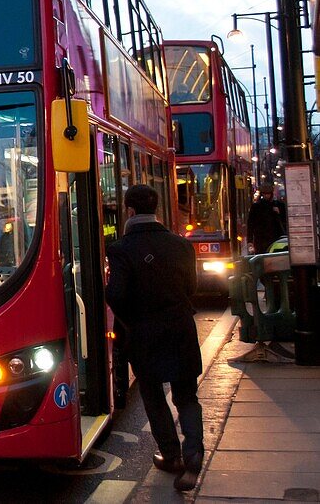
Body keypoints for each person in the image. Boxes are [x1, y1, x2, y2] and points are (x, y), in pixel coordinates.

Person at [105, 184, 203, 491]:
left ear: (129, 211)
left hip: (145, 333)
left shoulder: (121, 249)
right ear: (156, 209)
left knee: (153, 396)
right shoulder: (181, 245)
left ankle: (171, 455)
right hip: (181, 328)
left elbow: (116, 296)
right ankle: (194, 453)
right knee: (186, 396)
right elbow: (191, 288)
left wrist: (134, 319)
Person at [246, 184, 286, 254]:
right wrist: (250, 241)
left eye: (268, 194)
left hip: (275, 238)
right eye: (265, 194)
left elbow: (284, 221)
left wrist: (278, 213)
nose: (267, 196)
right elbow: (250, 224)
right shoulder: (256, 207)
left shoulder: (278, 205)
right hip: (261, 239)